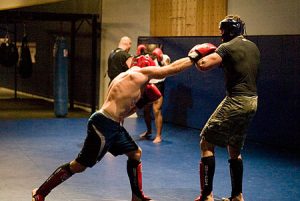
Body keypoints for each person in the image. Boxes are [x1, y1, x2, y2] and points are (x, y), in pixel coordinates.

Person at [31, 46, 216, 201]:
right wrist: (194, 56)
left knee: (135, 153)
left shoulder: (125, 77)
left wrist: (142, 102)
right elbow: (171, 69)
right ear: (147, 66)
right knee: (79, 165)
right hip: (103, 125)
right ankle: (40, 193)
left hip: (113, 124)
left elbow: (125, 111)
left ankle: (137, 196)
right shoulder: (140, 72)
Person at [188, 15, 260, 201]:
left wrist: (195, 53)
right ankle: (237, 196)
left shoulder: (227, 47)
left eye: (222, 31)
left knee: (206, 141)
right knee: (234, 148)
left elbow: (203, 65)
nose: (221, 35)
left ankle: (207, 195)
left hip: (236, 100)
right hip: (252, 101)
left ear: (229, 30)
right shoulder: (253, 47)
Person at [139, 47, 171, 143]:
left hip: (158, 85)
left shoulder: (164, 57)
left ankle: (158, 136)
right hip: (147, 85)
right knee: (146, 110)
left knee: (156, 110)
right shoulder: (144, 57)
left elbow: (169, 70)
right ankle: (149, 131)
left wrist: (161, 60)